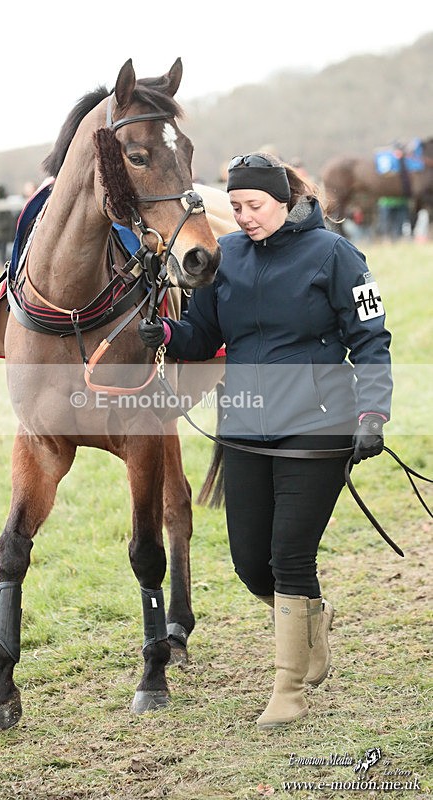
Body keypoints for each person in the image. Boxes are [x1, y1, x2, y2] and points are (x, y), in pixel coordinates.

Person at [138, 153, 392, 729]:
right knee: (253, 565)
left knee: (290, 557)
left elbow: (372, 339)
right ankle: (310, 622)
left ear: (284, 201)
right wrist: (168, 333)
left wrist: (373, 413)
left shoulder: (335, 254)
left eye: (253, 206)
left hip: (319, 427)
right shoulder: (227, 260)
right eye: (236, 207)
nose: (244, 217)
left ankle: (288, 689)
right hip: (246, 428)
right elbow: (203, 335)